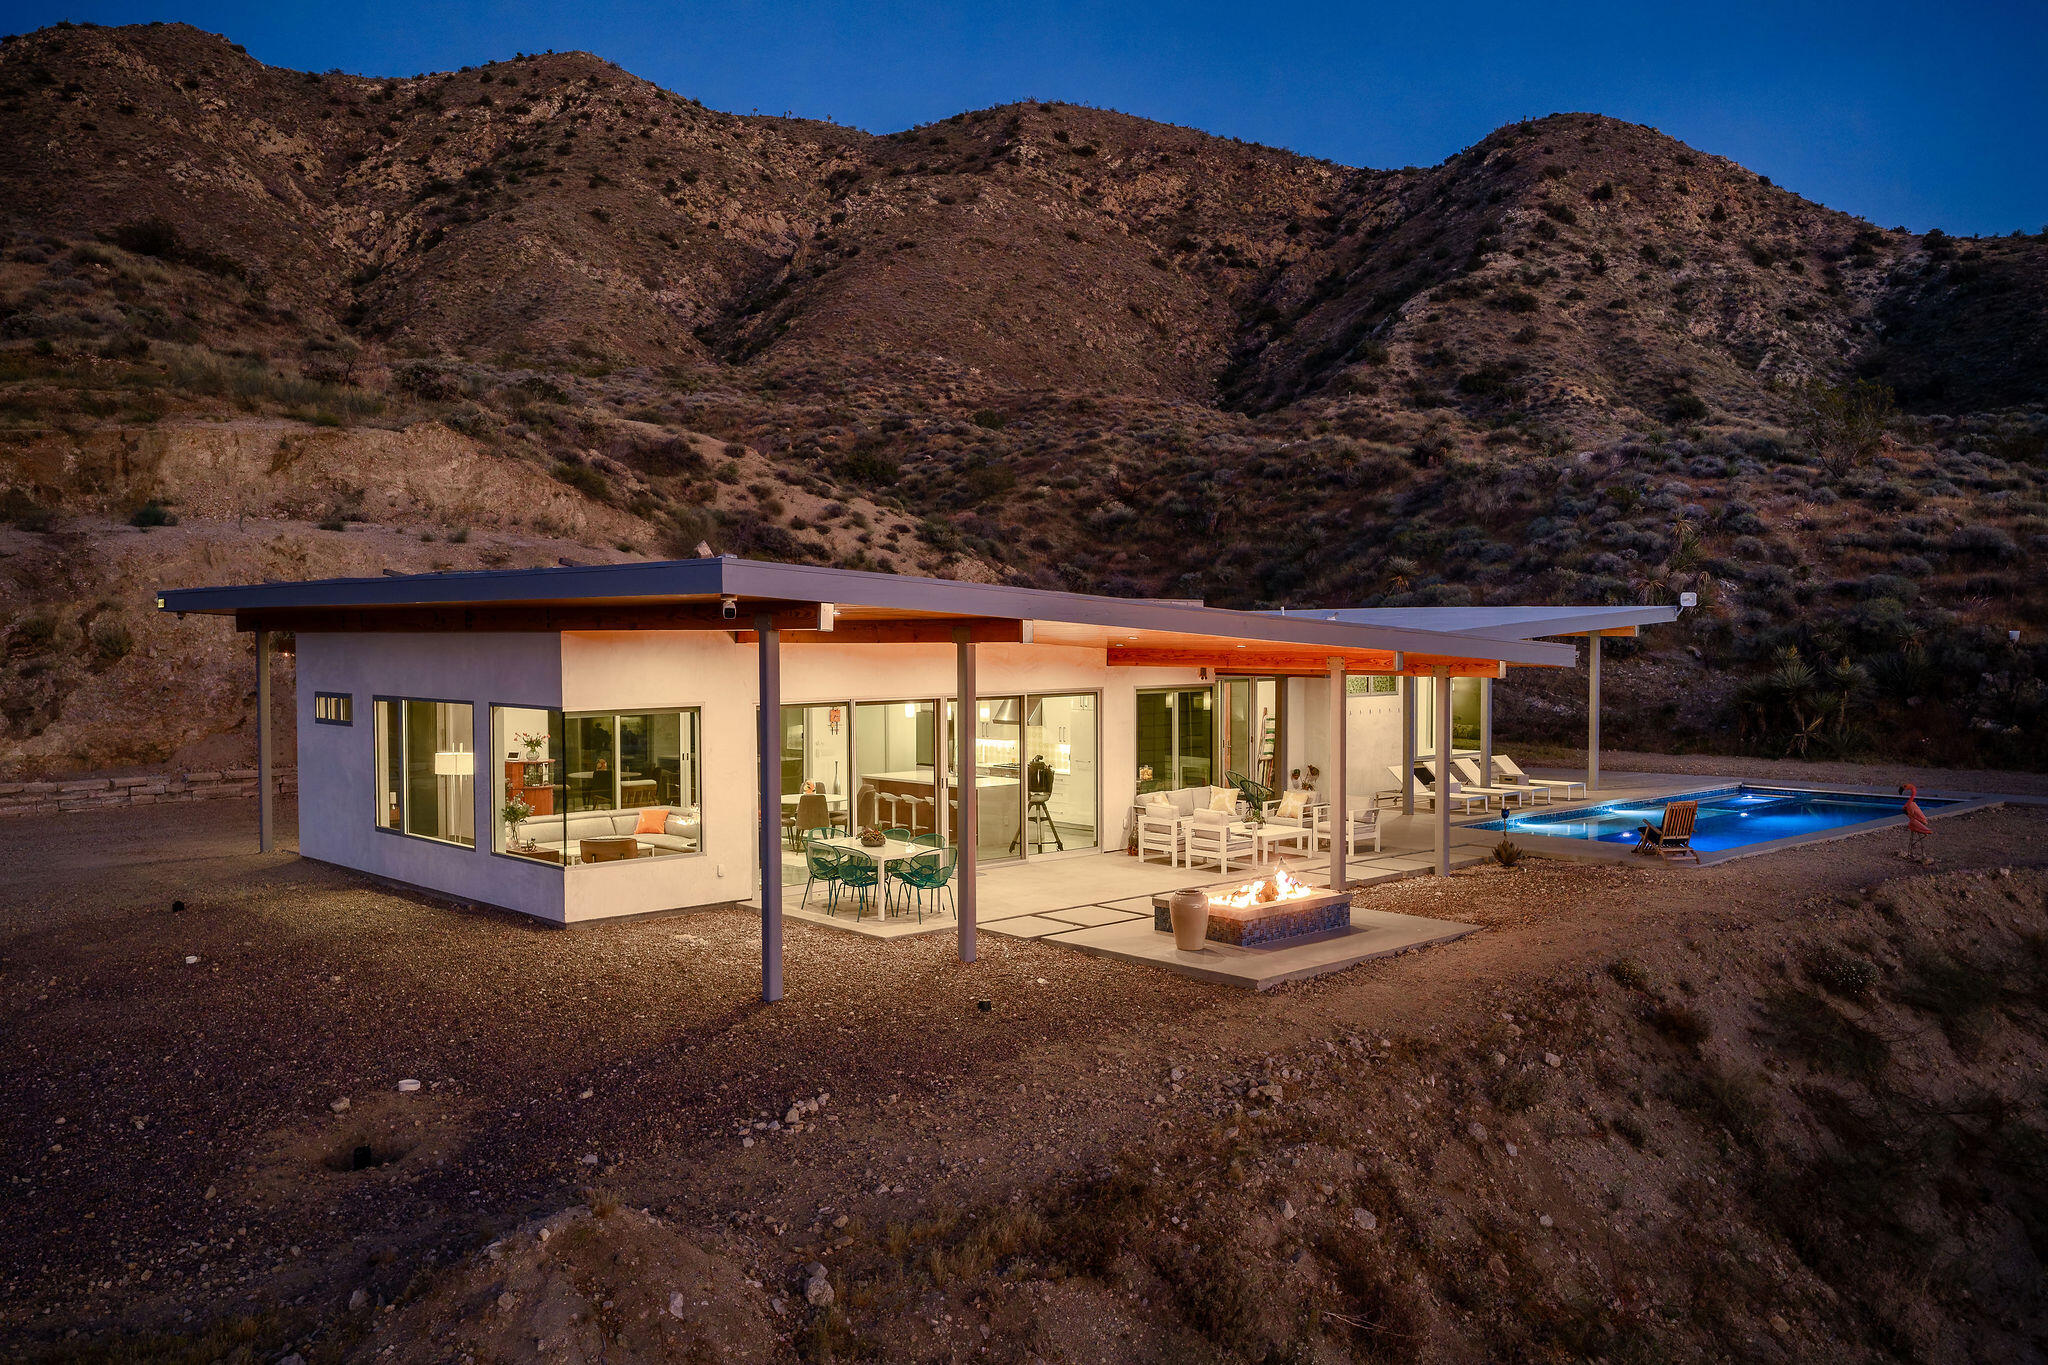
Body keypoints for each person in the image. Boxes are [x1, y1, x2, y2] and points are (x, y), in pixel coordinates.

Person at [1898, 783, 1933, 863]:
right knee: (1912, 834)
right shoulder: (1911, 804)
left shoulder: (1911, 805)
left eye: (1905, 787)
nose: (1903, 788)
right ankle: (1911, 852)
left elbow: (1917, 816)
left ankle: (1917, 853)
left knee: (1915, 833)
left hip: (1915, 821)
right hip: (1913, 821)